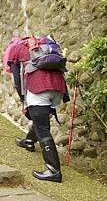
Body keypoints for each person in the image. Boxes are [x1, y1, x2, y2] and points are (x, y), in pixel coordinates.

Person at [6, 36, 69, 183]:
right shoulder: (44, 44)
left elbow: (17, 79)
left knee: (42, 128)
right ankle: (29, 140)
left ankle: (53, 170)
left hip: (39, 87)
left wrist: (23, 99)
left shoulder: (15, 49)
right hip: (58, 88)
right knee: (40, 118)